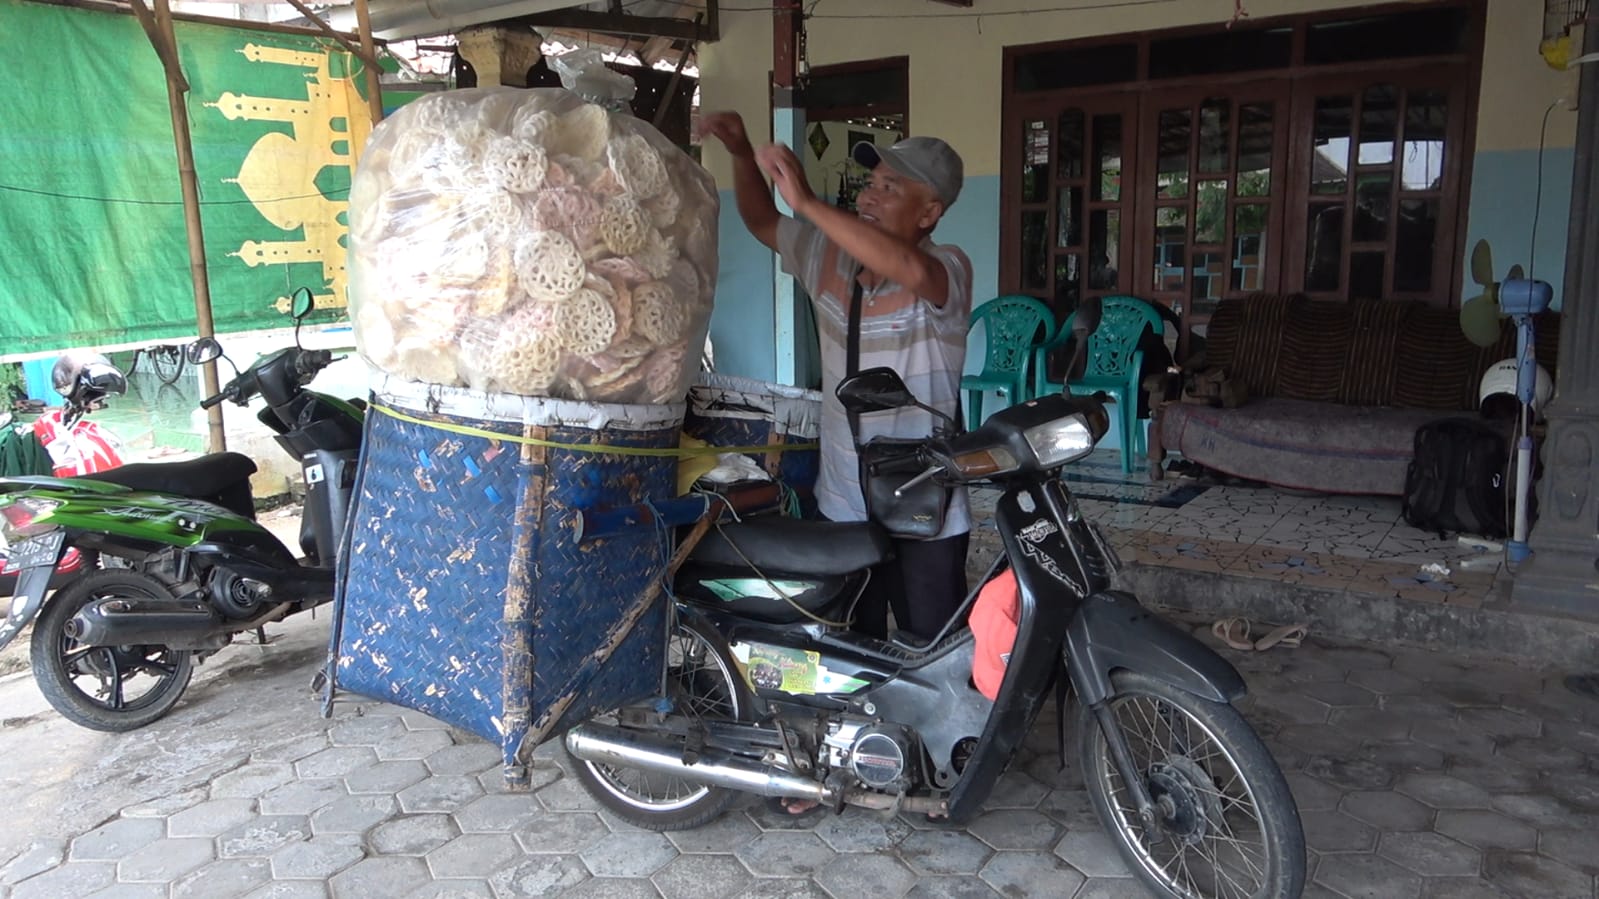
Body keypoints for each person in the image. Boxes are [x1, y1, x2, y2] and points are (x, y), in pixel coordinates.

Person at [698, 111, 973, 646]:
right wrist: (739, 151)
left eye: (890, 188)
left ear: (930, 211)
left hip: (925, 505)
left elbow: (910, 270)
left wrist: (809, 204)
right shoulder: (829, 256)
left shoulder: (949, 268)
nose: (869, 197)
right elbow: (761, 221)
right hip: (844, 499)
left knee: (936, 647)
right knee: (850, 641)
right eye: (870, 185)